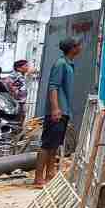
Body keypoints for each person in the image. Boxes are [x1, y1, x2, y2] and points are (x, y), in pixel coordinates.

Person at [36, 39, 81, 188]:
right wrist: (55, 108)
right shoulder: (60, 64)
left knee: (55, 144)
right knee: (47, 143)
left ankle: (50, 174)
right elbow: (53, 87)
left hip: (64, 110)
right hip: (57, 110)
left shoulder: (68, 64)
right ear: (72, 48)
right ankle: (38, 178)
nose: (80, 48)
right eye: (77, 46)